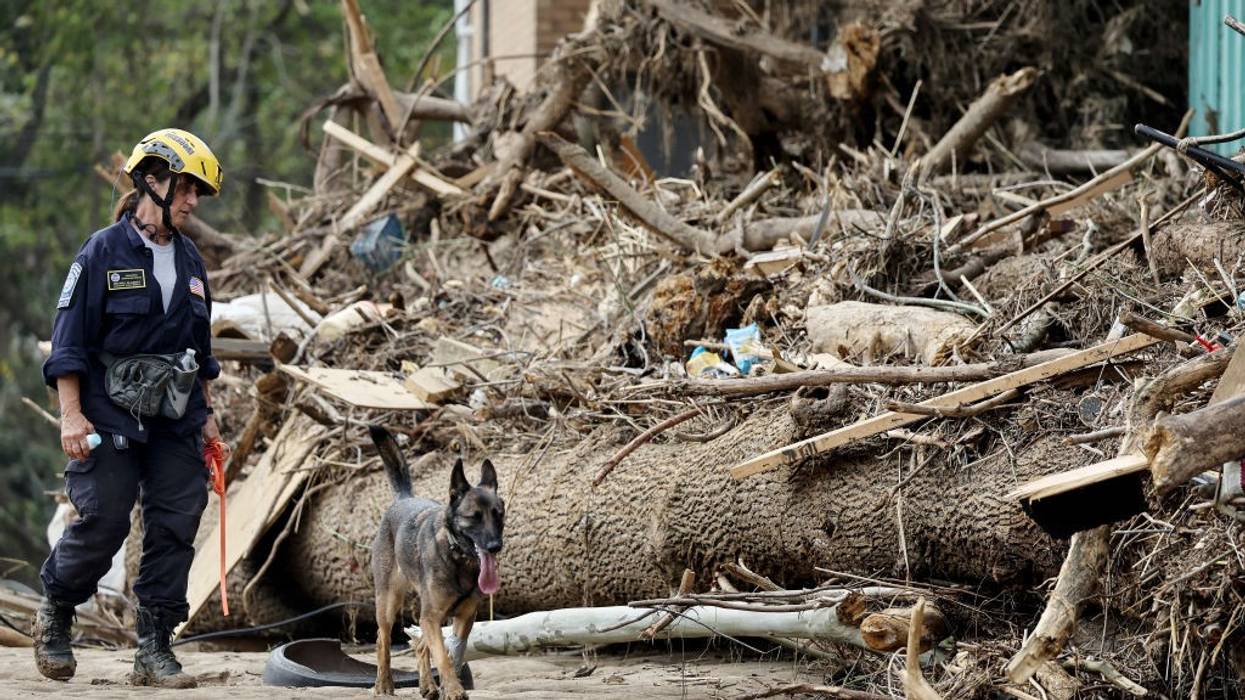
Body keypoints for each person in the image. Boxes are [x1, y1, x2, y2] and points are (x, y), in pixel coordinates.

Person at [35, 128, 231, 688]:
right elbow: (67, 343)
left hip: (176, 421)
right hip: (108, 417)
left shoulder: (192, 262)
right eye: (187, 188)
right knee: (105, 519)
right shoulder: (100, 252)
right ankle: (56, 609)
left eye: (198, 192)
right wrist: (71, 417)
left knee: (175, 525)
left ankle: (154, 647)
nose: (193, 202)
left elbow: (202, 355)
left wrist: (209, 419)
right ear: (153, 180)